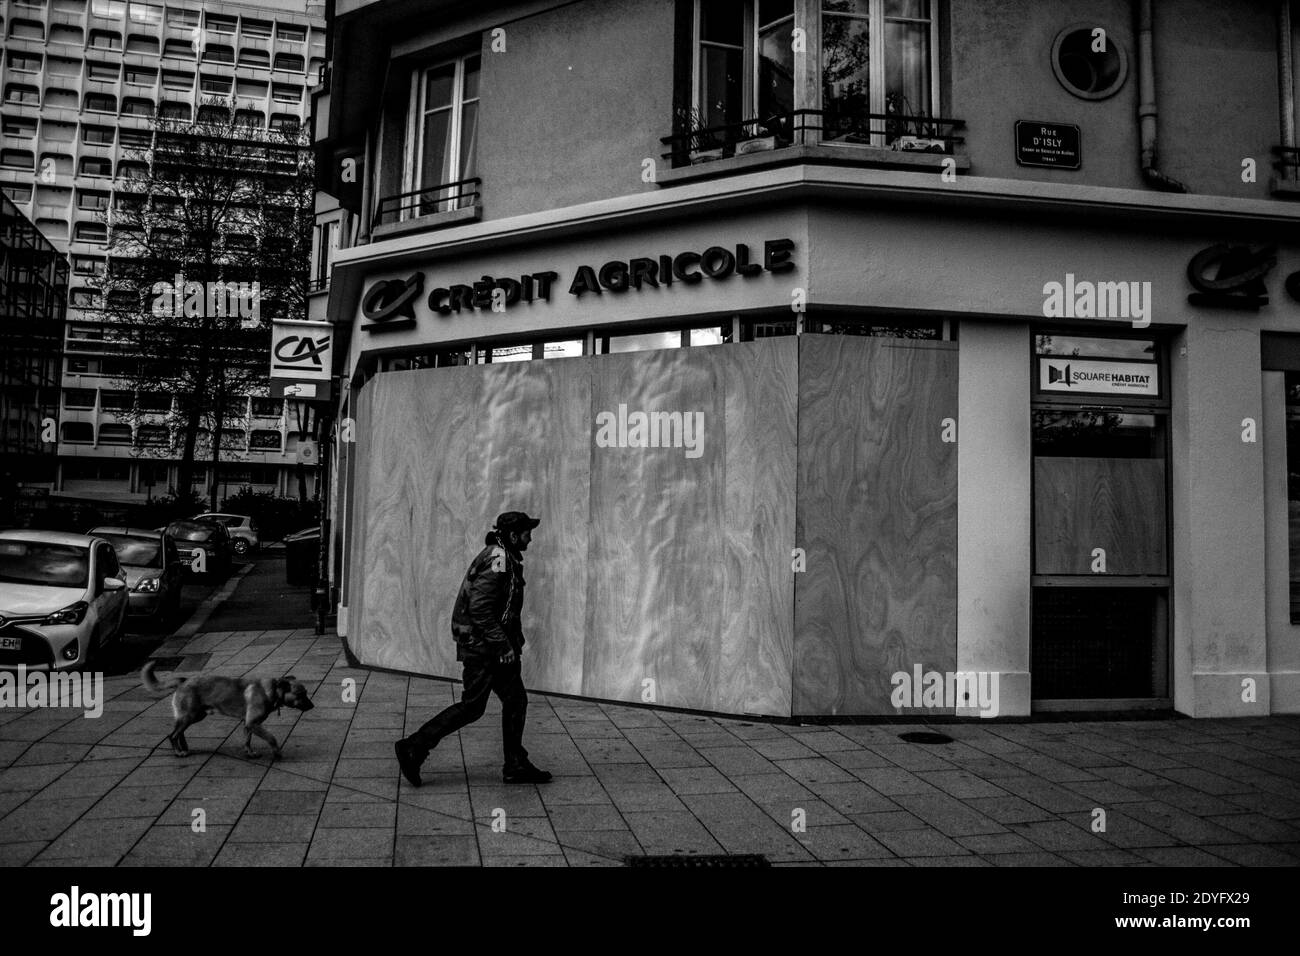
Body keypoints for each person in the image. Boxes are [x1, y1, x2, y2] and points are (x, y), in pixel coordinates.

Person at [394, 511, 552, 786]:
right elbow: (480, 608)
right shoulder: (499, 559)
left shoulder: (503, 556)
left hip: (491, 646)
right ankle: (414, 747)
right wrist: (502, 645)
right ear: (513, 535)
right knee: (472, 707)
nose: (530, 538)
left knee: (515, 700)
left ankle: (515, 764)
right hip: (484, 648)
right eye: (527, 533)